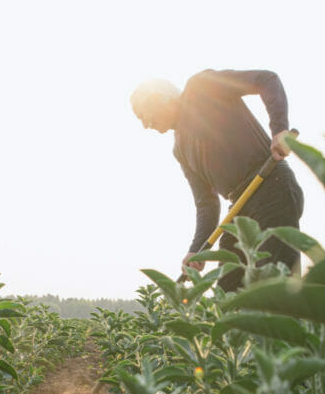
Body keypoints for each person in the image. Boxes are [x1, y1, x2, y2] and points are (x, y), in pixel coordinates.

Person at [130, 69, 305, 291]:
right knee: (229, 289)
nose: (146, 124)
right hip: (239, 207)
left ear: (158, 99)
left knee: (276, 282)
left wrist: (279, 129)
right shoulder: (180, 149)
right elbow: (206, 203)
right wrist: (197, 249)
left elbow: (266, 80)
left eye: (142, 114)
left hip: (270, 183)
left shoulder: (201, 87)